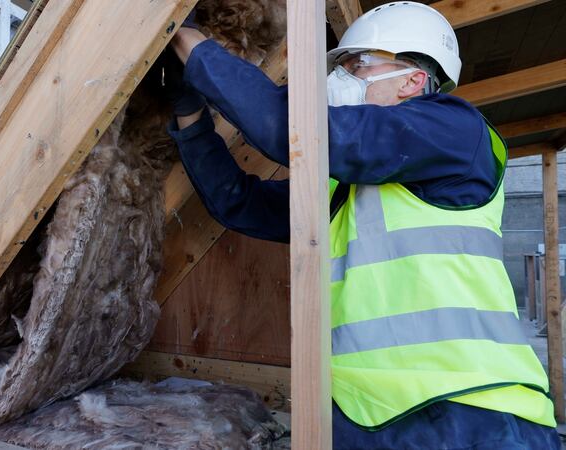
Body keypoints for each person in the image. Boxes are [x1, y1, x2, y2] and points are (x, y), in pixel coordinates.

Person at [165, 2, 561, 448]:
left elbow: (288, 129)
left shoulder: (455, 129)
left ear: (413, 80)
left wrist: (185, 38)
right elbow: (237, 202)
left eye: (357, 65)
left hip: (470, 412)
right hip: (364, 416)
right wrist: (189, 112)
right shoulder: (344, 191)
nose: (340, 79)